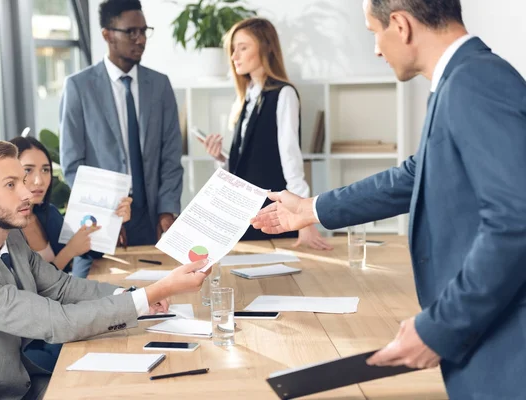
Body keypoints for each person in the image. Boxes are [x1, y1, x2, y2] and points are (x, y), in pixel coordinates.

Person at [251, 1, 526, 398]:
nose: (377, 49)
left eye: (373, 33)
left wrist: (440, 327)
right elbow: (416, 175)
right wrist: (311, 208)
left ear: (400, 25)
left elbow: (515, 221)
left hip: (505, 347)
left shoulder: (475, 82)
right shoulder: (461, 79)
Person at [0, 141, 210, 400]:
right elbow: (57, 321)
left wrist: (132, 294)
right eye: (11, 185)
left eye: (22, 181)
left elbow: (61, 287)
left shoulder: (9, 233)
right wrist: (154, 292)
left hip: (20, 382)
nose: (27, 192)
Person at [60, 0, 183, 252]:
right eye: (131, 32)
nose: (140, 39)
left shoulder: (160, 86)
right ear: (107, 35)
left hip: (153, 219)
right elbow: (73, 165)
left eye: (144, 31)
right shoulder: (79, 88)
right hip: (103, 223)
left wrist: (167, 210)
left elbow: (171, 157)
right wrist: (105, 216)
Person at [201, 17, 331, 250]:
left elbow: (291, 159)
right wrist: (221, 159)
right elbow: (246, 165)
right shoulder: (246, 98)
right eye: (233, 49)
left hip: (273, 217)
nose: (234, 56)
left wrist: (304, 217)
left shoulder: (283, 94)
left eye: (243, 48)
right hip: (245, 217)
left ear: (265, 47)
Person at [10, 136, 132, 278]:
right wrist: (69, 251)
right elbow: (30, 285)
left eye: (45, 170)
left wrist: (114, 220)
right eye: (28, 170)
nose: (39, 181)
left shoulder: (48, 214)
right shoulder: (3, 227)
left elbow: (92, 252)